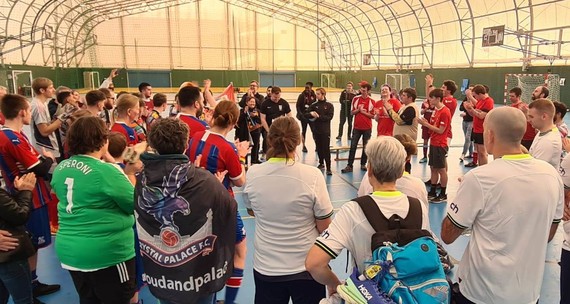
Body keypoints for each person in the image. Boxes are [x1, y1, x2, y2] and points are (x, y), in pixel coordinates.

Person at [441, 106, 563, 304]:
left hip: (480, 294)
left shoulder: (480, 178)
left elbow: (448, 235)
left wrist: (464, 199)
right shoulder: (551, 175)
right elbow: (548, 233)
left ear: (489, 134)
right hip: (528, 294)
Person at [305, 136, 431, 297]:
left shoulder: (353, 210)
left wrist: (337, 286)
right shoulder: (418, 207)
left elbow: (314, 263)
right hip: (411, 296)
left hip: (370, 297)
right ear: (401, 171)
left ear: (369, 169)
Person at [135, 118, 236, 304]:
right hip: (198, 274)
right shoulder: (205, 181)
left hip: (162, 272)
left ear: (153, 145)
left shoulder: (141, 179)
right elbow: (228, 210)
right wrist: (214, 185)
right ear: (186, 144)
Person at [51, 116, 141, 303]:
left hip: (70, 250)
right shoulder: (107, 171)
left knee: (88, 298)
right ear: (103, 141)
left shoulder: (61, 167)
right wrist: (126, 171)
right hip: (106, 253)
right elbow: (134, 204)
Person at [243, 116, 333, 304]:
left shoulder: (253, 173)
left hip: (267, 268)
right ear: (299, 141)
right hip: (306, 268)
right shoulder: (312, 176)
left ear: (269, 140)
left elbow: (252, 211)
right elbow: (325, 227)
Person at [186, 100, 249, 304]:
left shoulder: (195, 137)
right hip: (221, 206)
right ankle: (228, 301)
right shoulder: (227, 148)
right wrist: (240, 156)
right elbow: (240, 181)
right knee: (239, 252)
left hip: (195, 205)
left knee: (205, 254)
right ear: (234, 123)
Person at [0, 94, 60, 299]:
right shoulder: (11, 137)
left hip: (31, 195)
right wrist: (47, 158)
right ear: (22, 112)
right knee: (29, 242)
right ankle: (28, 288)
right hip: (27, 197)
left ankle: (32, 282)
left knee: (32, 243)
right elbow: (40, 168)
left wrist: (42, 159)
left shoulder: (17, 134)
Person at [358, 134, 427, 205]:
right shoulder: (417, 185)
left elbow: (361, 198)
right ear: (408, 158)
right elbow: (422, 211)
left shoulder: (370, 176)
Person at [0, 173, 38, 304]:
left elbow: (6, 210)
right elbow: (19, 215)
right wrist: (26, 191)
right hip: (9, 254)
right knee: (24, 300)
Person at [418, 88, 451, 202]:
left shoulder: (445, 112)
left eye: (431, 98)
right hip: (433, 142)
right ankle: (432, 191)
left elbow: (441, 130)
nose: (430, 100)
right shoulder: (435, 110)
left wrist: (425, 124)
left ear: (438, 98)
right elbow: (433, 126)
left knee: (441, 169)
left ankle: (443, 193)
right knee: (433, 168)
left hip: (440, 144)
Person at [341, 81, 375, 173]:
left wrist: (363, 112)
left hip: (367, 128)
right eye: (361, 89)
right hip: (357, 127)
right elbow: (351, 112)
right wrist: (358, 110)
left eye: (364, 90)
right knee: (353, 146)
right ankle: (349, 165)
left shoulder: (372, 101)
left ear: (368, 91)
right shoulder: (355, 99)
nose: (362, 91)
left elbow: (373, 116)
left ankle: (363, 164)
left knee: (366, 147)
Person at [30, 77, 62, 160]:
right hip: (45, 148)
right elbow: (44, 131)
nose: (54, 90)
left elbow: (46, 124)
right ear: (42, 90)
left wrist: (54, 121)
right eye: (51, 88)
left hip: (48, 146)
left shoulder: (43, 104)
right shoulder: (38, 107)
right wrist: (61, 118)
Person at [463, 85, 494, 167]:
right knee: (479, 151)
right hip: (476, 129)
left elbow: (481, 116)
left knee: (482, 152)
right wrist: (468, 109)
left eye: (475, 95)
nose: (475, 97)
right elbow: (475, 115)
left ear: (480, 94)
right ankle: (480, 167)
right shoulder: (480, 101)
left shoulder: (488, 101)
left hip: (482, 130)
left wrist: (472, 109)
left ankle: (483, 169)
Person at [306, 88, 334, 175]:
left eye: (318, 94)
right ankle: (321, 163)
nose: (316, 95)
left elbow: (329, 117)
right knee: (319, 148)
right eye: (316, 94)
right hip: (316, 130)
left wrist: (319, 116)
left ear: (323, 94)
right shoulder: (314, 105)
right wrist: (311, 114)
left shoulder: (329, 105)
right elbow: (305, 114)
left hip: (325, 131)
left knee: (326, 149)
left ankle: (329, 167)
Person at [528, 98, 562, 168]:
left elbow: (534, 169)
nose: (529, 120)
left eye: (531, 117)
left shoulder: (548, 141)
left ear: (544, 116)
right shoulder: (543, 131)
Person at [261, 86, 292, 154]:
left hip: (281, 130)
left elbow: (290, 116)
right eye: (275, 97)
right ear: (271, 94)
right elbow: (262, 118)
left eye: (278, 97)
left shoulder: (284, 103)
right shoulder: (265, 104)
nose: (277, 99)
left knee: (281, 148)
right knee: (269, 148)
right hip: (269, 129)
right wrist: (268, 130)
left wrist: (287, 127)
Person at [237, 96, 262, 164]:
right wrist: (245, 113)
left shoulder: (258, 111)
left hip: (256, 131)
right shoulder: (242, 111)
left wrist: (255, 116)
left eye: (253, 102)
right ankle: (244, 162)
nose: (252, 103)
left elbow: (261, 121)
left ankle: (254, 161)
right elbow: (238, 121)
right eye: (251, 102)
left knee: (256, 146)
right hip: (245, 132)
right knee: (245, 147)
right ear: (247, 102)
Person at [296, 82, 317, 152]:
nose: (306, 89)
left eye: (308, 88)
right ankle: (303, 146)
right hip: (304, 116)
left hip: (311, 117)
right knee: (304, 131)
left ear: (311, 88)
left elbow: (316, 105)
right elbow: (298, 106)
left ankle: (317, 145)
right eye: (305, 88)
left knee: (314, 131)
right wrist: (300, 114)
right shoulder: (301, 95)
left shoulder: (314, 95)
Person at [459, 86, 474, 161]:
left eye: (471, 90)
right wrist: (465, 111)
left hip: (471, 121)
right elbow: (461, 108)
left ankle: (463, 154)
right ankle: (471, 153)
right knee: (468, 138)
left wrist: (467, 111)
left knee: (468, 138)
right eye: (469, 89)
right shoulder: (465, 99)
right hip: (465, 121)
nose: (469, 91)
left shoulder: (475, 100)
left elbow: (474, 111)